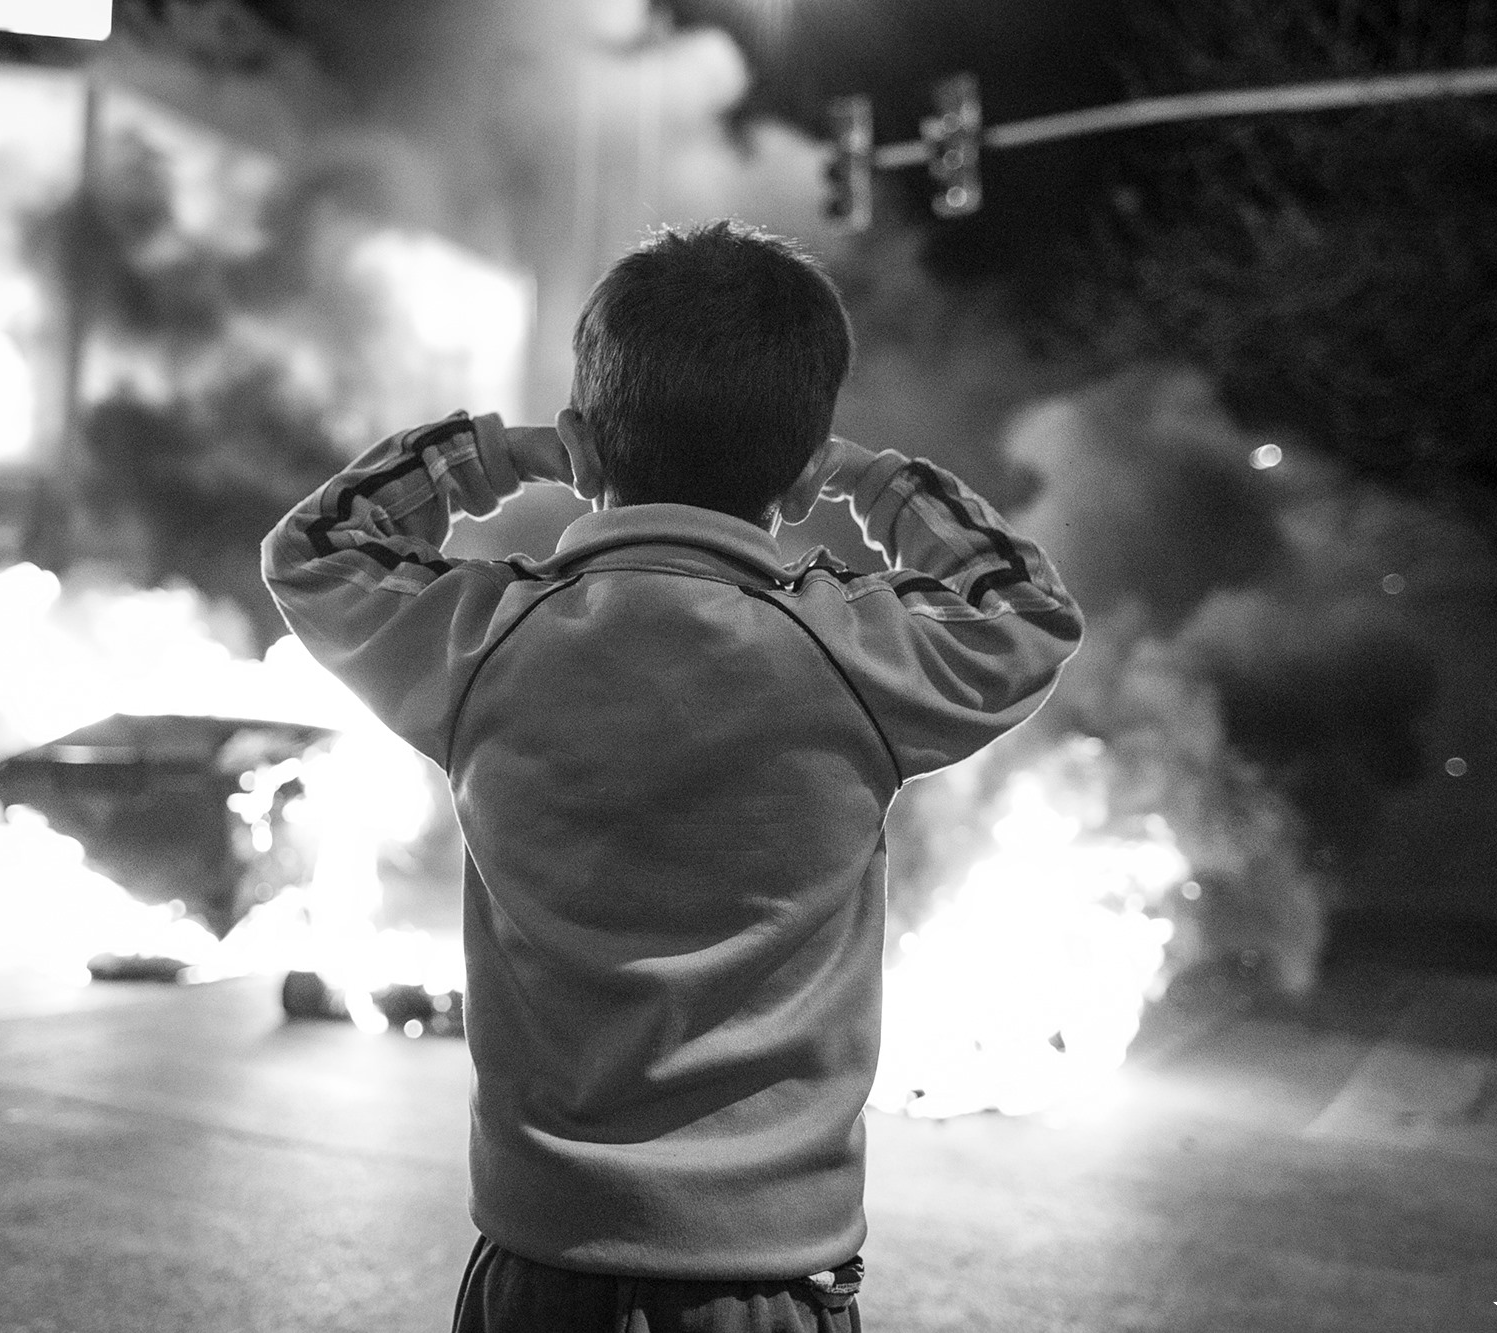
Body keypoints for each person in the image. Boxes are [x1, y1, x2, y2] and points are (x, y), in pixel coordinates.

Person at [262, 220, 1084, 1332]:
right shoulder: (853, 655)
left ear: (583, 447)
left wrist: (502, 455)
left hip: (539, 1266)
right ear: (804, 470)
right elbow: (1026, 608)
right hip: (767, 1276)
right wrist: (874, 483)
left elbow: (313, 548)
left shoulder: (484, 642)